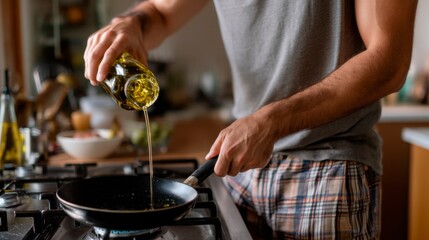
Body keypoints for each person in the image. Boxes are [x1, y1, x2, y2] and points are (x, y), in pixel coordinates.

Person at [84, 1, 418, 239]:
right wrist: (132, 22)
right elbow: (159, 13)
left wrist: (272, 121)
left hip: (326, 168)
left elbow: (388, 60)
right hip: (242, 171)